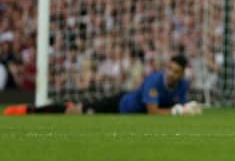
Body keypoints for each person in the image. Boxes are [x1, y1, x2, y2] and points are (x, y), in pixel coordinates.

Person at [3, 54, 202, 116]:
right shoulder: (154, 81)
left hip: (131, 112)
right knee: (77, 111)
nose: (171, 73)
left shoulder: (183, 84)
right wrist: (178, 112)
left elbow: (182, 105)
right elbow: (152, 111)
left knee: (77, 110)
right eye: (170, 69)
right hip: (119, 105)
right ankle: (28, 110)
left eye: (176, 71)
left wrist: (188, 108)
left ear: (182, 73)